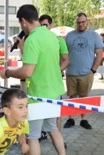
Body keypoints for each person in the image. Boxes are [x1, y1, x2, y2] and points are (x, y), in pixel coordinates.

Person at [0, 4, 69, 155]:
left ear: (23, 21)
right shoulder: (52, 36)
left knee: (33, 136)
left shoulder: (32, 40)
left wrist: (8, 73)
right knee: (53, 128)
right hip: (55, 91)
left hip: (39, 94)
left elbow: (27, 71)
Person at [64, 12, 104, 130]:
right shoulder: (69, 35)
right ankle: (70, 118)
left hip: (86, 73)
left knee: (84, 97)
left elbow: (100, 54)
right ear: (76, 23)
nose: (81, 24)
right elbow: (64, 54)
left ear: (87, 22)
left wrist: (93, 70)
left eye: (83, 22)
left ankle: (84, 119)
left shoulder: (94, 35)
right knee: (71, 96)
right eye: (78, 22)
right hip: (71, 72)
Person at [39, 14, 69, 142]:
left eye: (46, 25)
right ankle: (41, 133)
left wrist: (58, 70)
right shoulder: (36, 38)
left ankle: (58, 137)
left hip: (54, 82)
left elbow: (66, 59)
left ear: (50, 25)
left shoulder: (58, 40)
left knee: (56, 113)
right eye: (41, 25)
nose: (44, 27)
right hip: (39, 83)